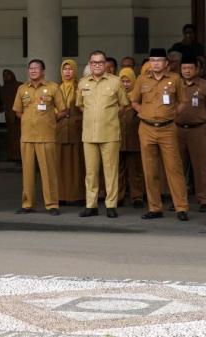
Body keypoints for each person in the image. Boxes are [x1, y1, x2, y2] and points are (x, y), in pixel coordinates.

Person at [130, 48, 189, 221]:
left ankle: (181, 207)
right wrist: (144, 113)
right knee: (150, 169)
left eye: (159, 60)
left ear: (166, 63)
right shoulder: (141, 79)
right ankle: (155, 208)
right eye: (152, 60)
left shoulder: (175, 79)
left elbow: (183, 102)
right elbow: (133, 101)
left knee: (174, 168)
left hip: (167, 128)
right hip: (146, 129)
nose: (155, 63)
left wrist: (171, 115)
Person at [76, 51, 129, 218]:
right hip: (89, 134)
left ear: (105, 64)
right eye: (93, 62)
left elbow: (124, 104)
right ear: (89, 64)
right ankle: (91, 205)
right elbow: (80, 105)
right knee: (91, 172)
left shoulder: (115, 81)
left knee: (110, 171)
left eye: (100, 62)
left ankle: (111, 205)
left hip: (110, 133)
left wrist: (109, 116)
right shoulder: (83, 83)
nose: (97, 65)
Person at [13, 59, 67, 216]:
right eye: (30, 68)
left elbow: (63, 110)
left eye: (36, 68)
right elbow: (17, 111)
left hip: (46, 136)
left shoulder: (53, 88)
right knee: (27, 173)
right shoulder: (22, 89)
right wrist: (29, 119)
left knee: (48, 172)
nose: (33, 71)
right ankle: (27, 204)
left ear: (43, 71)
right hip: (27, 136)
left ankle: (52, 205)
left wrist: (51, 119)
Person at [177, 55, 206, 212]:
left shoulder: (205, 85)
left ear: (197, 69)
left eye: (190, 68)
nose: (187, 71)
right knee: (178, 166)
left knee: (200, 166)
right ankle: (180, 201)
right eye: (184, 68)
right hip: (178, 129)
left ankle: (204, 199)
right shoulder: (175, 84)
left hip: (198, 129)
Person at [56, 59, 84, 206]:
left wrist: (77, 119)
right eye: (65, 69)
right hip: (59, 131)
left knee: (77, 165)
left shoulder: (80, 88)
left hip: (75, 131)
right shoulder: (56, 88)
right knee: (59, 165)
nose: (67, 72)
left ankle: (78, 196)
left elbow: (86, 108)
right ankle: (61, 195)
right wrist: (58, 115)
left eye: (70, 69)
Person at [118, 67, 145, 208]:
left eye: (128, 81)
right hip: (118, 139)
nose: (125, 84)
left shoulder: (138, 96)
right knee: (118, 170)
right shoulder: (115, 96)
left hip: (134, 138)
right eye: (122, 81)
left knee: (135, 171)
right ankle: (119, 196)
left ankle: (137, 197)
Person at [0, 69, 22, 163]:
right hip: (9, 115)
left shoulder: (20, 86)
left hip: (19, 115)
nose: (6, 77)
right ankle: (12, 154)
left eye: (8, 74)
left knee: (19, 135)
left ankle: (20, 155)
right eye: (4, 75)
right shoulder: (3, 88)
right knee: (11, 136)